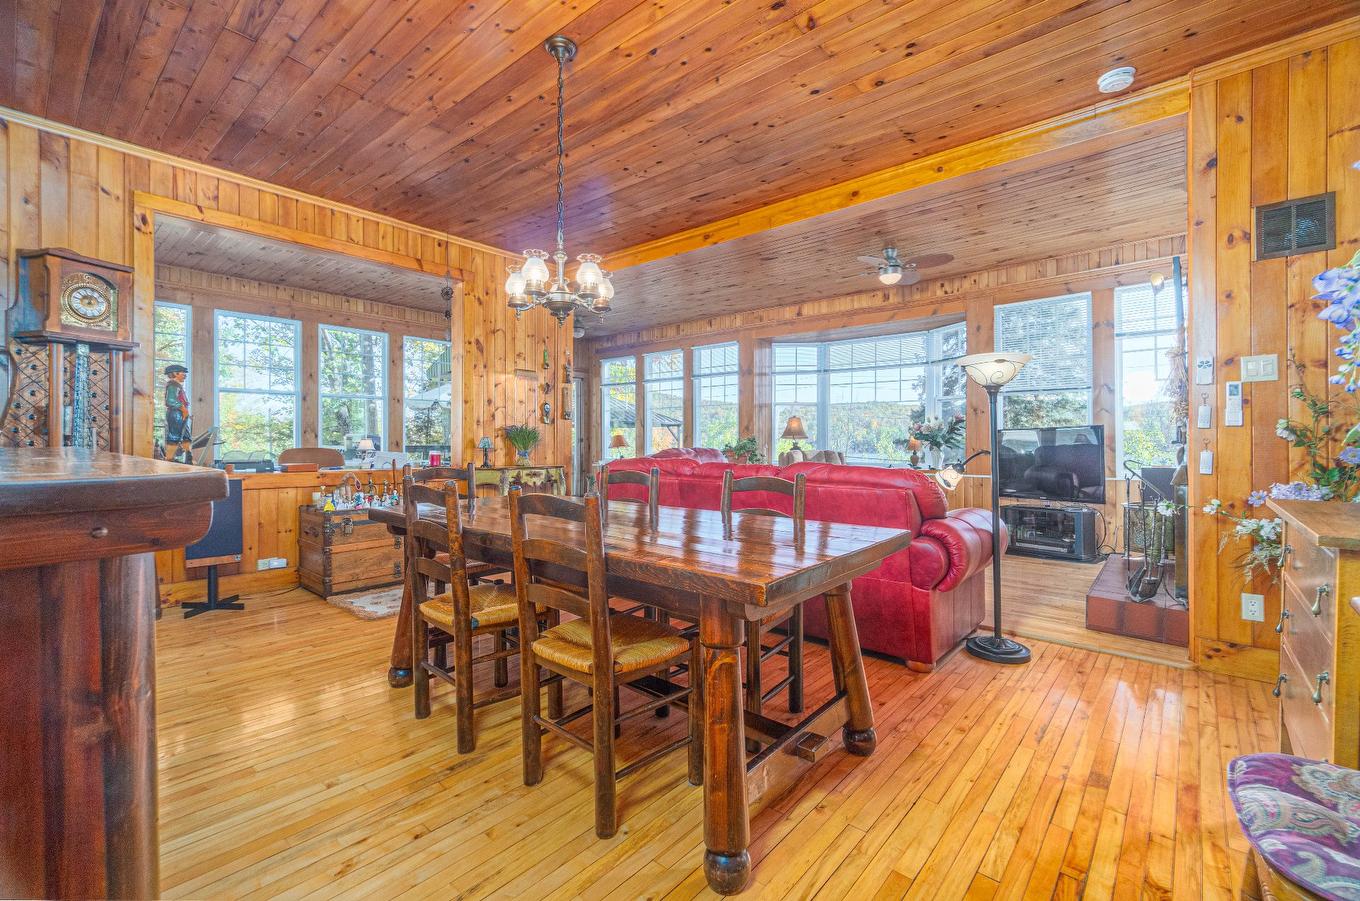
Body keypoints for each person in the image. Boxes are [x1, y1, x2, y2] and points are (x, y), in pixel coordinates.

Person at [164, 364, 191, 462]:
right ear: (175, 373)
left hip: (180, 414)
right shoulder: (173, 385)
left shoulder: (178, 385)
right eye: (183, 373)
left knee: (186, 436)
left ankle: (188, 458)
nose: (185, 375)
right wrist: (183, 409)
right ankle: (170, 458)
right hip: (176, 413)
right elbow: (170, 400)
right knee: (174, 436)